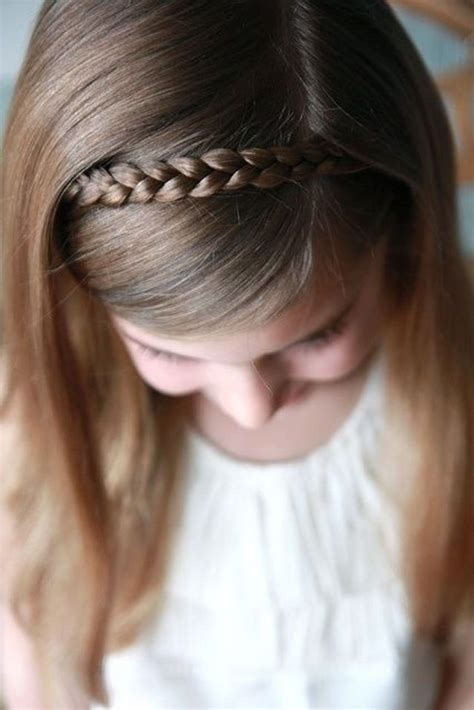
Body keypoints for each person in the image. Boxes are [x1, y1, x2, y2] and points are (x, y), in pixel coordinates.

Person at [1, 0, 473, 708]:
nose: (250, 406)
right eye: (163, 351)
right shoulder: (30, 425)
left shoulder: (455, 411)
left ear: (405, 239)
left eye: (316, 335)